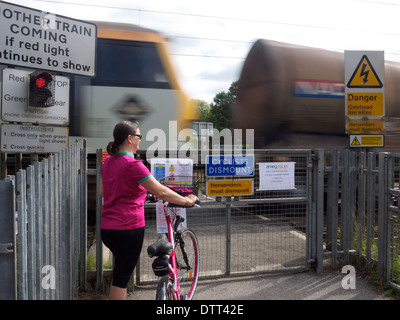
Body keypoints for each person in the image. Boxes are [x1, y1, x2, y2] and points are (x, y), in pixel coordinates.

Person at [99, 120, 198, 300]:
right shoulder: (133, 165)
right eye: (139, 136)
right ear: (130, 139)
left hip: (108, 229)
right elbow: (160, 190)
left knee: (120, 273)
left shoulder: (108, 163)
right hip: (128, 228)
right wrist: (186, 201)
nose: (140, 140)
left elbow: (102, 191)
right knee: (121, 280)